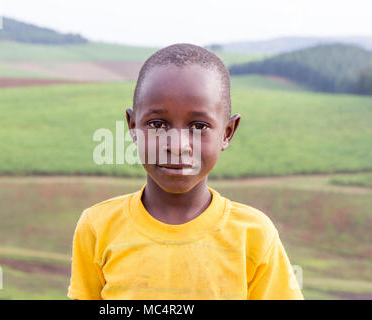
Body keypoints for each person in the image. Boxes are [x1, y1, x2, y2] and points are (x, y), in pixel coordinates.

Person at [67, 43, 304, 300]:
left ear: (227, 132)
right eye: (157, 124)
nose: (177, 146)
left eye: (199, 126)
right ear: (133, 127)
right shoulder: (98, 227)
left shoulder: (253, 235)